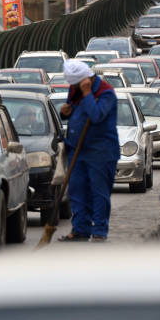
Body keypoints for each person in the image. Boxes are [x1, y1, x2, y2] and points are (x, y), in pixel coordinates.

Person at [58, 60, 120, 242]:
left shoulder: (106, 93)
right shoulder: (75, 90)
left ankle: (99, 230)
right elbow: (72, 112)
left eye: (76, 85)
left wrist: (87, 94)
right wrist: (65, 112)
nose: (73, 88)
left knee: (99, 192)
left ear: (85, 80)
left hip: (100, 151)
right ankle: (80, 229)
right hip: (77, 149)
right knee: (77, 190)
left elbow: (96, 115)